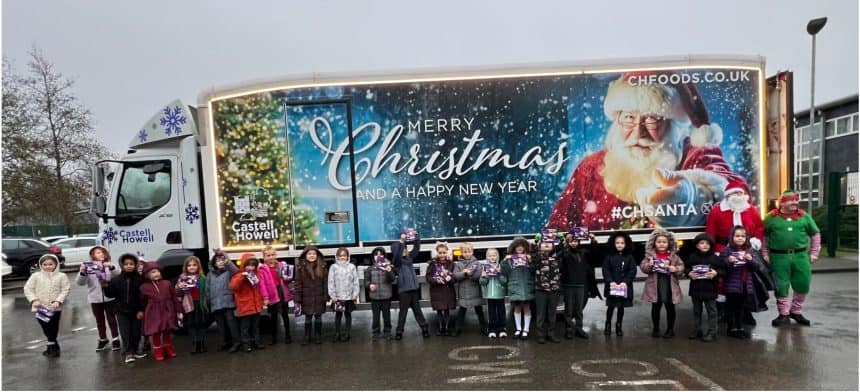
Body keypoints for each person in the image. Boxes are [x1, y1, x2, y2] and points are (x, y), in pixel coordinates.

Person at [548, 70, 744, 229]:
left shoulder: (694, 154)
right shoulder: (592, 167)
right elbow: (560, 225)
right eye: (629, 118)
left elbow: (731, 189)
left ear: (672, 122)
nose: (638, 132)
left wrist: (689, 197)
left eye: (651, 118)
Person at [763, 190, 821, 328]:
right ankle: (783, 314)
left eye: (796, 199)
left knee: (803, 283)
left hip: (800, 256)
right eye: (790, 200)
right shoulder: (771, 217)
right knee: (781, 285)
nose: (795, 202)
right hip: (778, 257)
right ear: (782, 203)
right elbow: (764, 236)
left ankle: (796, 311)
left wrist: (814, 252)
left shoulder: (804, 216)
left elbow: (815, 234)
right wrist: (764, 253)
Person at [640, 228, 685, 338]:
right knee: (656, 307)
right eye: (659, 242)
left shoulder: (674, 256)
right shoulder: (649, 256)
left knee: (670, 307)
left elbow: (681, 267)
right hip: (655, 285)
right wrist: (649, 265)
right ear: (654, 243)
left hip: (670, 285)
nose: (661, 244)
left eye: (664, 242)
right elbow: (643, 267)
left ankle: (670, 329)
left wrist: (675, 269)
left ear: (669, 243)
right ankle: (656, 328)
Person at [23, 254, 70, 358]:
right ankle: (53, 344)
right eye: (45, 264)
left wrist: (58, 301)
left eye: (50, 264)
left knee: (53, 326)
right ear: (40, 265)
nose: (48, 266)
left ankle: (51, 347)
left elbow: (65, 289)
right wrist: (34, 300)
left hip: (55, 307)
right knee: (45, 326)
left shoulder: (62, 276)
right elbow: (28, 289)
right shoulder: (35, 276)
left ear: (56, 264)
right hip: (40, 307)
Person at [720, 226, 762, 338]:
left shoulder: (749, 250)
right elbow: (722, 267)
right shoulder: (726, 251)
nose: (740, 238)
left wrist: (750, 260)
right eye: (737, 236)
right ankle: (731, 328)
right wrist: (729, 261)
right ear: (732, 237)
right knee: (731, 307)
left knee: (741, 307)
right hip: (731, 285)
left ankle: (740, 327)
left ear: (746, 238)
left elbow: (756, 267)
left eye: (743, 236)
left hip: (745, 284)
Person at [77, 245, 121, 352]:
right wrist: (82, 272)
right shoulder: (89, 267)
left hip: (109, 297)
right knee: (99, 320)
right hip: (95, 299)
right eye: (97, 253)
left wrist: (111, 267)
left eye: (102, 252)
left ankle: (115, 339)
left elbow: (119, 275)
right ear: (92, 255)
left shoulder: (109, 265)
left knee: (112, 319)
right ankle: (103, 339)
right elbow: (80, 283)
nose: (100, 254)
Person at [683, 233, 726, 342]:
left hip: (710, 289)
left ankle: (712, 332)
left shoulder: (715, 258)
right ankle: (697, 330)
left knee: (712, 311)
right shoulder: (692, 257)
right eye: (702, 243)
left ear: (711, 245)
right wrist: (689, 273)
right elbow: (686, 267)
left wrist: (716, 273)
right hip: (695, 289)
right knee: (696, 311)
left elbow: (724, 270)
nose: (705, 245)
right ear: (697, 245)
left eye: (707, 243)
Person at [104, 253, 145, 363]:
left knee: (136, 332)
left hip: (136, 311)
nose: (128, 266)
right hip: (121, 311)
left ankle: (135, 350)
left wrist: (141, 309)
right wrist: (105, 286)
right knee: (125, 332)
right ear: (122, 265)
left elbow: (143, 296)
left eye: (131, 264)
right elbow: (110, 294)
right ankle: (128, 352)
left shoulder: (140, 279)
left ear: (135, 265)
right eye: (126, 264)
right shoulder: (116, 280)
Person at [558, 232, 600, 339]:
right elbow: (559, 256)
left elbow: (595, 254)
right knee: (569, 309)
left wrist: (593, 240)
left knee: (579, 308)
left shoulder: (583, 253)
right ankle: (568, 329)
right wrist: (562, 243)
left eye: (575, 241)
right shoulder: (565, 254)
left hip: (581, 285)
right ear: (568, 242)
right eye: (571, 241)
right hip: (568, 285)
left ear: (579, 242)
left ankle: (579, 328)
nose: (574, 243)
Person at [138, 262, 181, 361]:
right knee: (156, 331)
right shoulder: (144, 287)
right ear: (147, 274)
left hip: (167, 309)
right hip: (154, 311)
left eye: (157, 271)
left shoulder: (167, 283)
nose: (156, 274)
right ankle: (157, 349)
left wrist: (178, 309)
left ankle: (167, 347)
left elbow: (174, 297)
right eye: (153, 272)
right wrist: (141, 311)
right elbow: (142, 301)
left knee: (167, 329)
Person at [392, 232, 431, 340]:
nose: (404, 250)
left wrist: (416, 237)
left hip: (413, 289)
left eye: (405, 248)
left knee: (417, 311)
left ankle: (424, 328)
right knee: (403, 312)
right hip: (404, 291)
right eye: (402, 249)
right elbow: (398, 256)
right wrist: (402, 241)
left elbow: (416, 248)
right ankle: (399, 331)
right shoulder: (397, 263)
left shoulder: (409, 259)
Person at [602, 232, 636, 337]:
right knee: (611, 307)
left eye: (622, 243)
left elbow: (632, 270)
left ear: (626, 244)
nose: (620, 245)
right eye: (617, 243)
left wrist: (625, 282)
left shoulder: (629, 257)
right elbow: (605, 270)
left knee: (621, 307)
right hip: (612, 286)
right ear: (613, 243)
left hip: (623, 287)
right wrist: (610, 281)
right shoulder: (609, 257)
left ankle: (618, 326)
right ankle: (607, 325)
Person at [206, 249, 240, 353]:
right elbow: (207, 289)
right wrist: (208, 302)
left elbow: (236, 271)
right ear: (214, 263)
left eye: (222, 260)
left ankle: (237, 342)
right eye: (218, 260)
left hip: (228, 302)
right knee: (221, 325)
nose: (220, 262)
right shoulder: (210, 275)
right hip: (216, 304)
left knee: (231, 323)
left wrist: (226, 259)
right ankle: (226, 342)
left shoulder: (229, 272)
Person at [258, 245, 293, 345]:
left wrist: (288, 279)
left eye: (273, 255)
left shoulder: (282, 265)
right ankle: (273, 337)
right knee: (273, 316)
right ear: (264, 257)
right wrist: (265, 297)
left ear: (276, 255)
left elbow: (287, 279)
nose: (271, 257)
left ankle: (288, 335)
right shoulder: (262, 269)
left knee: (285, 314)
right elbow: (262, 285)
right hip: (271, 293)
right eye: (268, 255)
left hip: (281, 292)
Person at [230, 254, 266, 352]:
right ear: (243, 265)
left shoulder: (257, 274)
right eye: (248, 265)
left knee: (256, 327)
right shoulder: (238, 275)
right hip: (245, 306)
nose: (250, 267)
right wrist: (242, 277)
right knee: (245, 328)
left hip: (255, 306)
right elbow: (234, 287)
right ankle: (246, 344)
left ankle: (256, 342)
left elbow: (260, 289)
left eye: (253, 265)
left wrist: (262, 301)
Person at [531, 234, 562, 344]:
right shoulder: (537, 257)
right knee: (540, 313)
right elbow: (532, 264)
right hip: (540, 289)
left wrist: (561, 240)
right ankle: (540, 334)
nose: (547, 244)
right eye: (544, 243)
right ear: (539, 245)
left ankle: (551, 333)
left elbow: (563, 249)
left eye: (549, 242)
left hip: (554, 289)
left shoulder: (557, 256)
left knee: (552, 312)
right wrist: (536, 244)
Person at [501, 237, 535, 340]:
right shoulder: (510, 259)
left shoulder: (529, 258)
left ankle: (526, 330)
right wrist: (505, 261)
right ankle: (518, 329)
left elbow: (534, 270)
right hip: (515, 286)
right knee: (517, 307)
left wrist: (531, 260)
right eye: (517, 246)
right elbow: (505, 272)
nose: (520, 248)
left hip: (526, 286)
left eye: (522, 246)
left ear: (525, 248)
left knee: (527, 307)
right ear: (513, 248)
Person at [294, 246, 328, 345]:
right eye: (309, 254)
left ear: (317, 255)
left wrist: (325, 295)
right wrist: (298, 298)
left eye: (314, 254)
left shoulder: (322, 267)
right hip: (306, 298)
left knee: (318, 317)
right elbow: (298, 283)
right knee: (308, 318)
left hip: (319, 297)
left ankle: (318, 336)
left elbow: (325, 283)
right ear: (305, 256)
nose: (312, 256)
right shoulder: (301, 268)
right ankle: (307, 336)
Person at [452, 242, 487, 336]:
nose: (467, 253)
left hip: (475, 291)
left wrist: (470, 274)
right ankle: (457, 329)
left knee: (479, 311)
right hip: (463, 293)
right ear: (461, 253)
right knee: (461, 312)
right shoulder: (458, 264)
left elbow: (478, 276)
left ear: (472, 252)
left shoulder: (477, 263)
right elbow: (455, 276)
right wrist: (464, 273)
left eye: (469, 251)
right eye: (465, 252)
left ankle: (484, 328)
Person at [176, 256, 209, 354]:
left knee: (202, 324)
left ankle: (201, 343)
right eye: (189, 265)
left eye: (194, 265)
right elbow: (177, 294)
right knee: (191, 324)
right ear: (185, 267)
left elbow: (207, 291)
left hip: (200, 304)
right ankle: (195, 343)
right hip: (189, 304)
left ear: (198, 266)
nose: (192, 267)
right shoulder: (182, 278)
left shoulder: (202, 278)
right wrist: (179, 287)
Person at [328, 247, 359, 342]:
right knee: (338, 315)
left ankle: (347, 333)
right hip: (338, 298)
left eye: (344, 255)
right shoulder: (333, 267)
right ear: (337, 257)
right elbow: (331, 281)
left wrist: (355, 294)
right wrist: (332, 295)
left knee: (348, 315)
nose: (342, 257)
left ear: (348, 256)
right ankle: (337, 333)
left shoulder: (352, 267)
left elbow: (355, 281)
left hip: (349, 297)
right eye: (340, 256)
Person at [365, 247, 395, 340]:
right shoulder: (370, 269)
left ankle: (387, 332)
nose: (378, 256)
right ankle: (375, 332)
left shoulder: (387, 267)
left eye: (381, 254)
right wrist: (369, 285)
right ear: (373, 257)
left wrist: (389, 270)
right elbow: (366, 281)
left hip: (386, 296)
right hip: (374, 297)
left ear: (384, 256)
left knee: (386, 316)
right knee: (375, 317)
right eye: (376, 255)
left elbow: (392, 279)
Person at [427, 242, 457, 336]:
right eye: (440, 253)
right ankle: (441, 327)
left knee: (447, 310)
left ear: (447, 252)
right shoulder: (432, 264)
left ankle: (447, 327)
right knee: (439, 310)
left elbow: (455, 277)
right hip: (437, 291)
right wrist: (436, 280)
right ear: (437, 253)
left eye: (444, 252)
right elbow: (428, 277)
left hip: (448, 291)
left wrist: (449, 278)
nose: (442, 255)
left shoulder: (451, 264)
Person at [479, 248, 507, 338]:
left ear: (497, 256)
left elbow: (504, 281)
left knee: (501, 312)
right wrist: (484, 277)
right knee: (491, 313)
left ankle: (502, 329)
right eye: (490, 256)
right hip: (490, 295)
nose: (492, 257)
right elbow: (482, 282)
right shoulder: (485, 267)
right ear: (487, 257)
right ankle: (492, 329)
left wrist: (500, 275)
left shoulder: (501, 266)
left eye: (494, 255)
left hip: (500, 294)